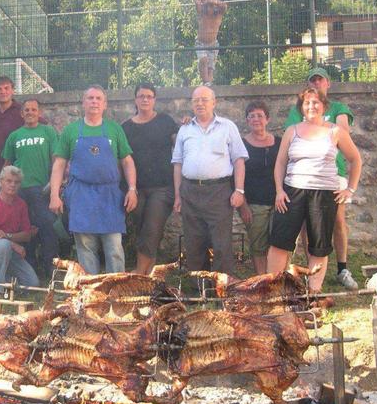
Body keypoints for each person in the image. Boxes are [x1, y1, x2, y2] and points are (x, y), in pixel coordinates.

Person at [268, 88, 362, 292]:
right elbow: (280, 163)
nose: (311, 106)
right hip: (292, 192)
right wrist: (279, 190)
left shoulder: (335, 131)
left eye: (316, 102)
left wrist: (350, 190)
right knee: (279, 241)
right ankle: (272, 290)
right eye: (307, 103)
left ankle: (314, 292)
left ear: (324, 106)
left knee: (318, 245)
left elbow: (355, 160)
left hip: (324, 195)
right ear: (302, 108)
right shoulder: (291, 131)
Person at [49, 85, 138, 275]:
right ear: (83, 103)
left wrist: (132, 189)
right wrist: (54, 195)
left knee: (114, 247)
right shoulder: (71, 131)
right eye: (90, 98)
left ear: (105, 104)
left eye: (98, 98)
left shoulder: (114, 129)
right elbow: (59, 164)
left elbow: (127, 161)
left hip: (110, 195)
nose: (94, 102)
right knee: (85, 247)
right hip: (81, 194)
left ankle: (118, 291)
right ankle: (90, 292)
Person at [172, 85, 248, 274]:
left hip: (219, 191)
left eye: (204, 99)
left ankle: (223, 286)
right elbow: (177, 164)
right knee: (194, 241)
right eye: (196, 100)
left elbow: (239, 160)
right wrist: (177, 196)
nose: (200, 104)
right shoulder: (185, 129)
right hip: (190, 191)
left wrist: (239, 190)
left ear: (214, 102)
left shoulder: (227, 127)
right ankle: (199, 287)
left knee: (221, 242)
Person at [121, 83, 180, 275]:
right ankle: (151, 276)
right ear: (135, 100)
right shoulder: (126, 127)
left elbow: (180, 147)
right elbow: (121, 158)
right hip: (136, 189)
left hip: (163, 188)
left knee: (151, 229)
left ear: (154, 99)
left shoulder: (165, 121)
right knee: (143, 231)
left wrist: (188, 124)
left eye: (149, 96)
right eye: (141, 96)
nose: (145, 99)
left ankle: (139, 274)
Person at [2, 99, 59, 279]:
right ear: (22, 113)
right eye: (26, 110)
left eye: (34, 109)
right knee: (25, 231)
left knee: (47, 228)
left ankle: (51, 269)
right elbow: (7, 164)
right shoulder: (14, 136)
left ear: (39, 112)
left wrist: (54, 184)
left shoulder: (48, 132)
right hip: (19, 192)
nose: (30, 112)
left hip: (42, 189)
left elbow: (57, 159)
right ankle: (30, 270)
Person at [0, 166, 39, 298]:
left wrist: (7, 235)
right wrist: (13, 244)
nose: (12, 185)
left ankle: (3, 278)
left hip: (10, 253)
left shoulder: (21, 204)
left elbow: (27, 235)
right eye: (9, 181)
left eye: (16, 182)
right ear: (0, 182)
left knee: (32, 284)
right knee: (2, 245)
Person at [238, 101, 281, 275]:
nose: (256, 119)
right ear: (247, 120)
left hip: (279, 203)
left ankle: (277, 280)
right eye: (251, 116)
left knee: (279, 244)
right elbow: (237, 177)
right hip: (254, 204)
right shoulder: (241, 144)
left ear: (267, 119)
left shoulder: (279, 142)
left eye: (260, 115)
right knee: (258, 246)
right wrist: (243, 206)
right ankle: (262, 283)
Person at [195, 0, 227, 86]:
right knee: (203, 61)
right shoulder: (202, 12)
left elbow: (224, 5)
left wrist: (210, 0)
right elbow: (197, 2)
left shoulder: (219, 13)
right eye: (207, 6)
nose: (209, 8)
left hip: (213, 44)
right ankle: (206, 83)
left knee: (210, 68)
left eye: (212, 6)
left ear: (215, 5)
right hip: (201, 43)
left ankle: (208, 85)